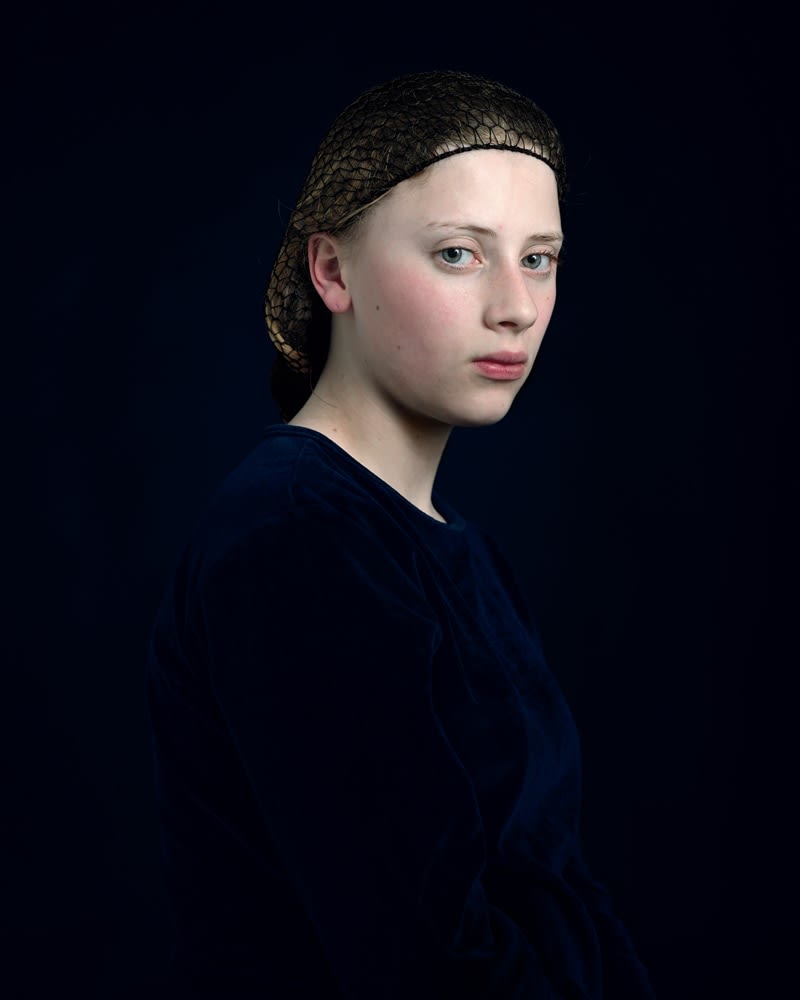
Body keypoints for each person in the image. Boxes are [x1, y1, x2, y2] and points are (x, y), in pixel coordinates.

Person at [146, 69, 656, 998]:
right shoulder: (296, 538)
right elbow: (423, 959)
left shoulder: (456, 547)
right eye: (460, 253)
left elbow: (556, 893)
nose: (515, 306)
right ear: (331, 269)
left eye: (538, 257)